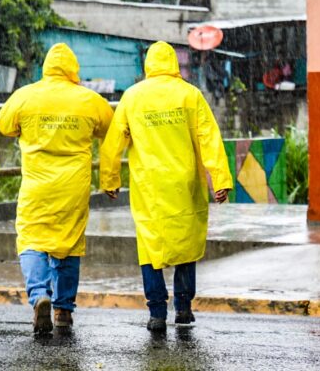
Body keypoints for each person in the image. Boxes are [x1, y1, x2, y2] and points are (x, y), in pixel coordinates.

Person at [99, 41, 232, 332]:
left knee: (150, 248)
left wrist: (110, 181)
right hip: (185, 185)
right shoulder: (190, 95)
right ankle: (183, 308)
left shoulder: (133, 97)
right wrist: (220, 180)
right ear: (174, 64)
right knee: (185, 246)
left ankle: (157, 313)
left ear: (147, 64)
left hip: (149, 188)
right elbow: (210, 137)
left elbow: (112, 145)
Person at [0, 43, 113, 334]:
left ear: (46, 67)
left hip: (37, 186)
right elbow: (108, 127)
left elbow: (4, 125)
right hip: (73, 187)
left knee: (31, 240)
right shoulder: (89, 100)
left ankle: (39, 296)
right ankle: (63, 310)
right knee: (69, 244)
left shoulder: (25, 96)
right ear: (74, 70)